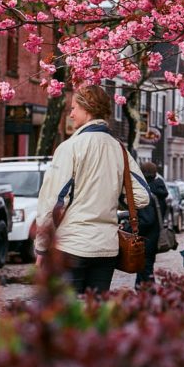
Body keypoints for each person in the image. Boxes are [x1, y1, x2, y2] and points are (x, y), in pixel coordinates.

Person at [34, 84, 149, 294]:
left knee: (69, 317)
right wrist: (111, 195)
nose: (71, 114)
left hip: (72, 246)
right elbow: (142, 196)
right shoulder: (119, 149)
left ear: (87, 109)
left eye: (73, 108)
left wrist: (42, 247)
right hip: (106, 248)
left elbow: (54, 201)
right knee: (95, 315)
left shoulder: (70, 147)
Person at [134, 160, 170, 287]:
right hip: (155, 236)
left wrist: (131, 227)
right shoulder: (160, 190)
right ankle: (140, 289)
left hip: (146, 238)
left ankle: (150, 294)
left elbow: (146, 220)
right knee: (145, 266)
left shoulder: (147, 193)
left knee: (145, 267)